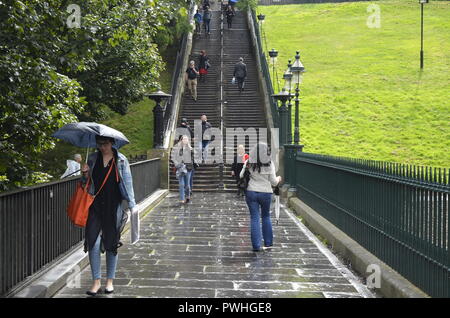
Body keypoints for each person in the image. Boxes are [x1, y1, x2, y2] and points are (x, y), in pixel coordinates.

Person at [80, 135, 137, 296]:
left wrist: (132, 205)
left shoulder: (121, 160)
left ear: (112, 143)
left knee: (111, 244)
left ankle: (109, 281)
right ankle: (96, 281)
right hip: (95, 206)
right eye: (99, 144)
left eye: (104, 144)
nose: (101, 147)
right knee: (93, 243)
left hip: (114, 207)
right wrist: (84, 174)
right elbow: (84, 185)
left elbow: (128, 183)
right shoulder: (92, 159)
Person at [240, 142, 281, 252]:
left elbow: (240, 175)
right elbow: (273, 182)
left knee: (254, 218)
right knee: (266, 217)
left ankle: (256, 246)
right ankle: (268, 243)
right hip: (265, 193)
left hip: (251, 192)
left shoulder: (249, 162)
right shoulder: (269, 163)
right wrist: (278, 179)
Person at [171, 135, 195, 204]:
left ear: (188, 141)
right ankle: (182, 199)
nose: (185, 140)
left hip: (188, 168)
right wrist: (177, 164)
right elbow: (173, 157)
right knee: (181, 184)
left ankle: (187, 196)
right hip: (180, 168)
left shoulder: (190, 149)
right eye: (184, 139)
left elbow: (192, 159)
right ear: (181, 140)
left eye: (186, 139)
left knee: (187, 185)